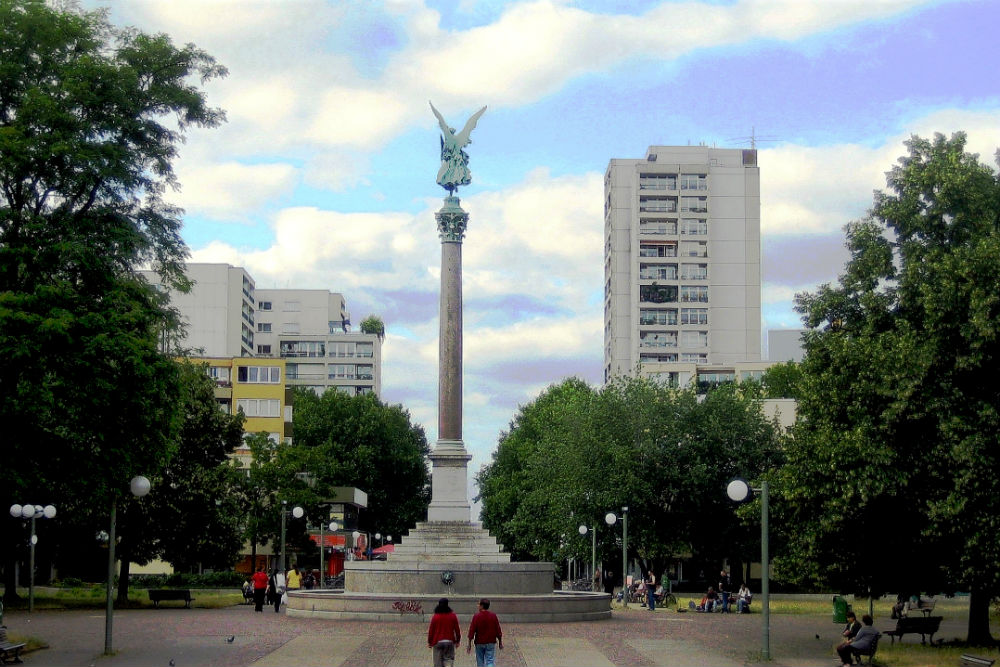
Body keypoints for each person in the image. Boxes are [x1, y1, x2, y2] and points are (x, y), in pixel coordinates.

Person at [467, 598, 503, 667]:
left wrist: (469, 644)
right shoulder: (493, 616)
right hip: (491, 641)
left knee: (480, 661)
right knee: (490, 660)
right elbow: (498, 630)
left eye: (479, 604)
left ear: (482, 606)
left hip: (479, 642)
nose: (478, 606)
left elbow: (472, 631)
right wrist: (500, 642)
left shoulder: (476, 616)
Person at [427, 597, 461, 667]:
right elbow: (457, 630)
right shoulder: (452, 616)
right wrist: (457, 641)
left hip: (437, 641)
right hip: (449, 640)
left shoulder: (435, 617)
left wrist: (430, 642)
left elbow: (431, 631)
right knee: (448, 660)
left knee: (437, 662)